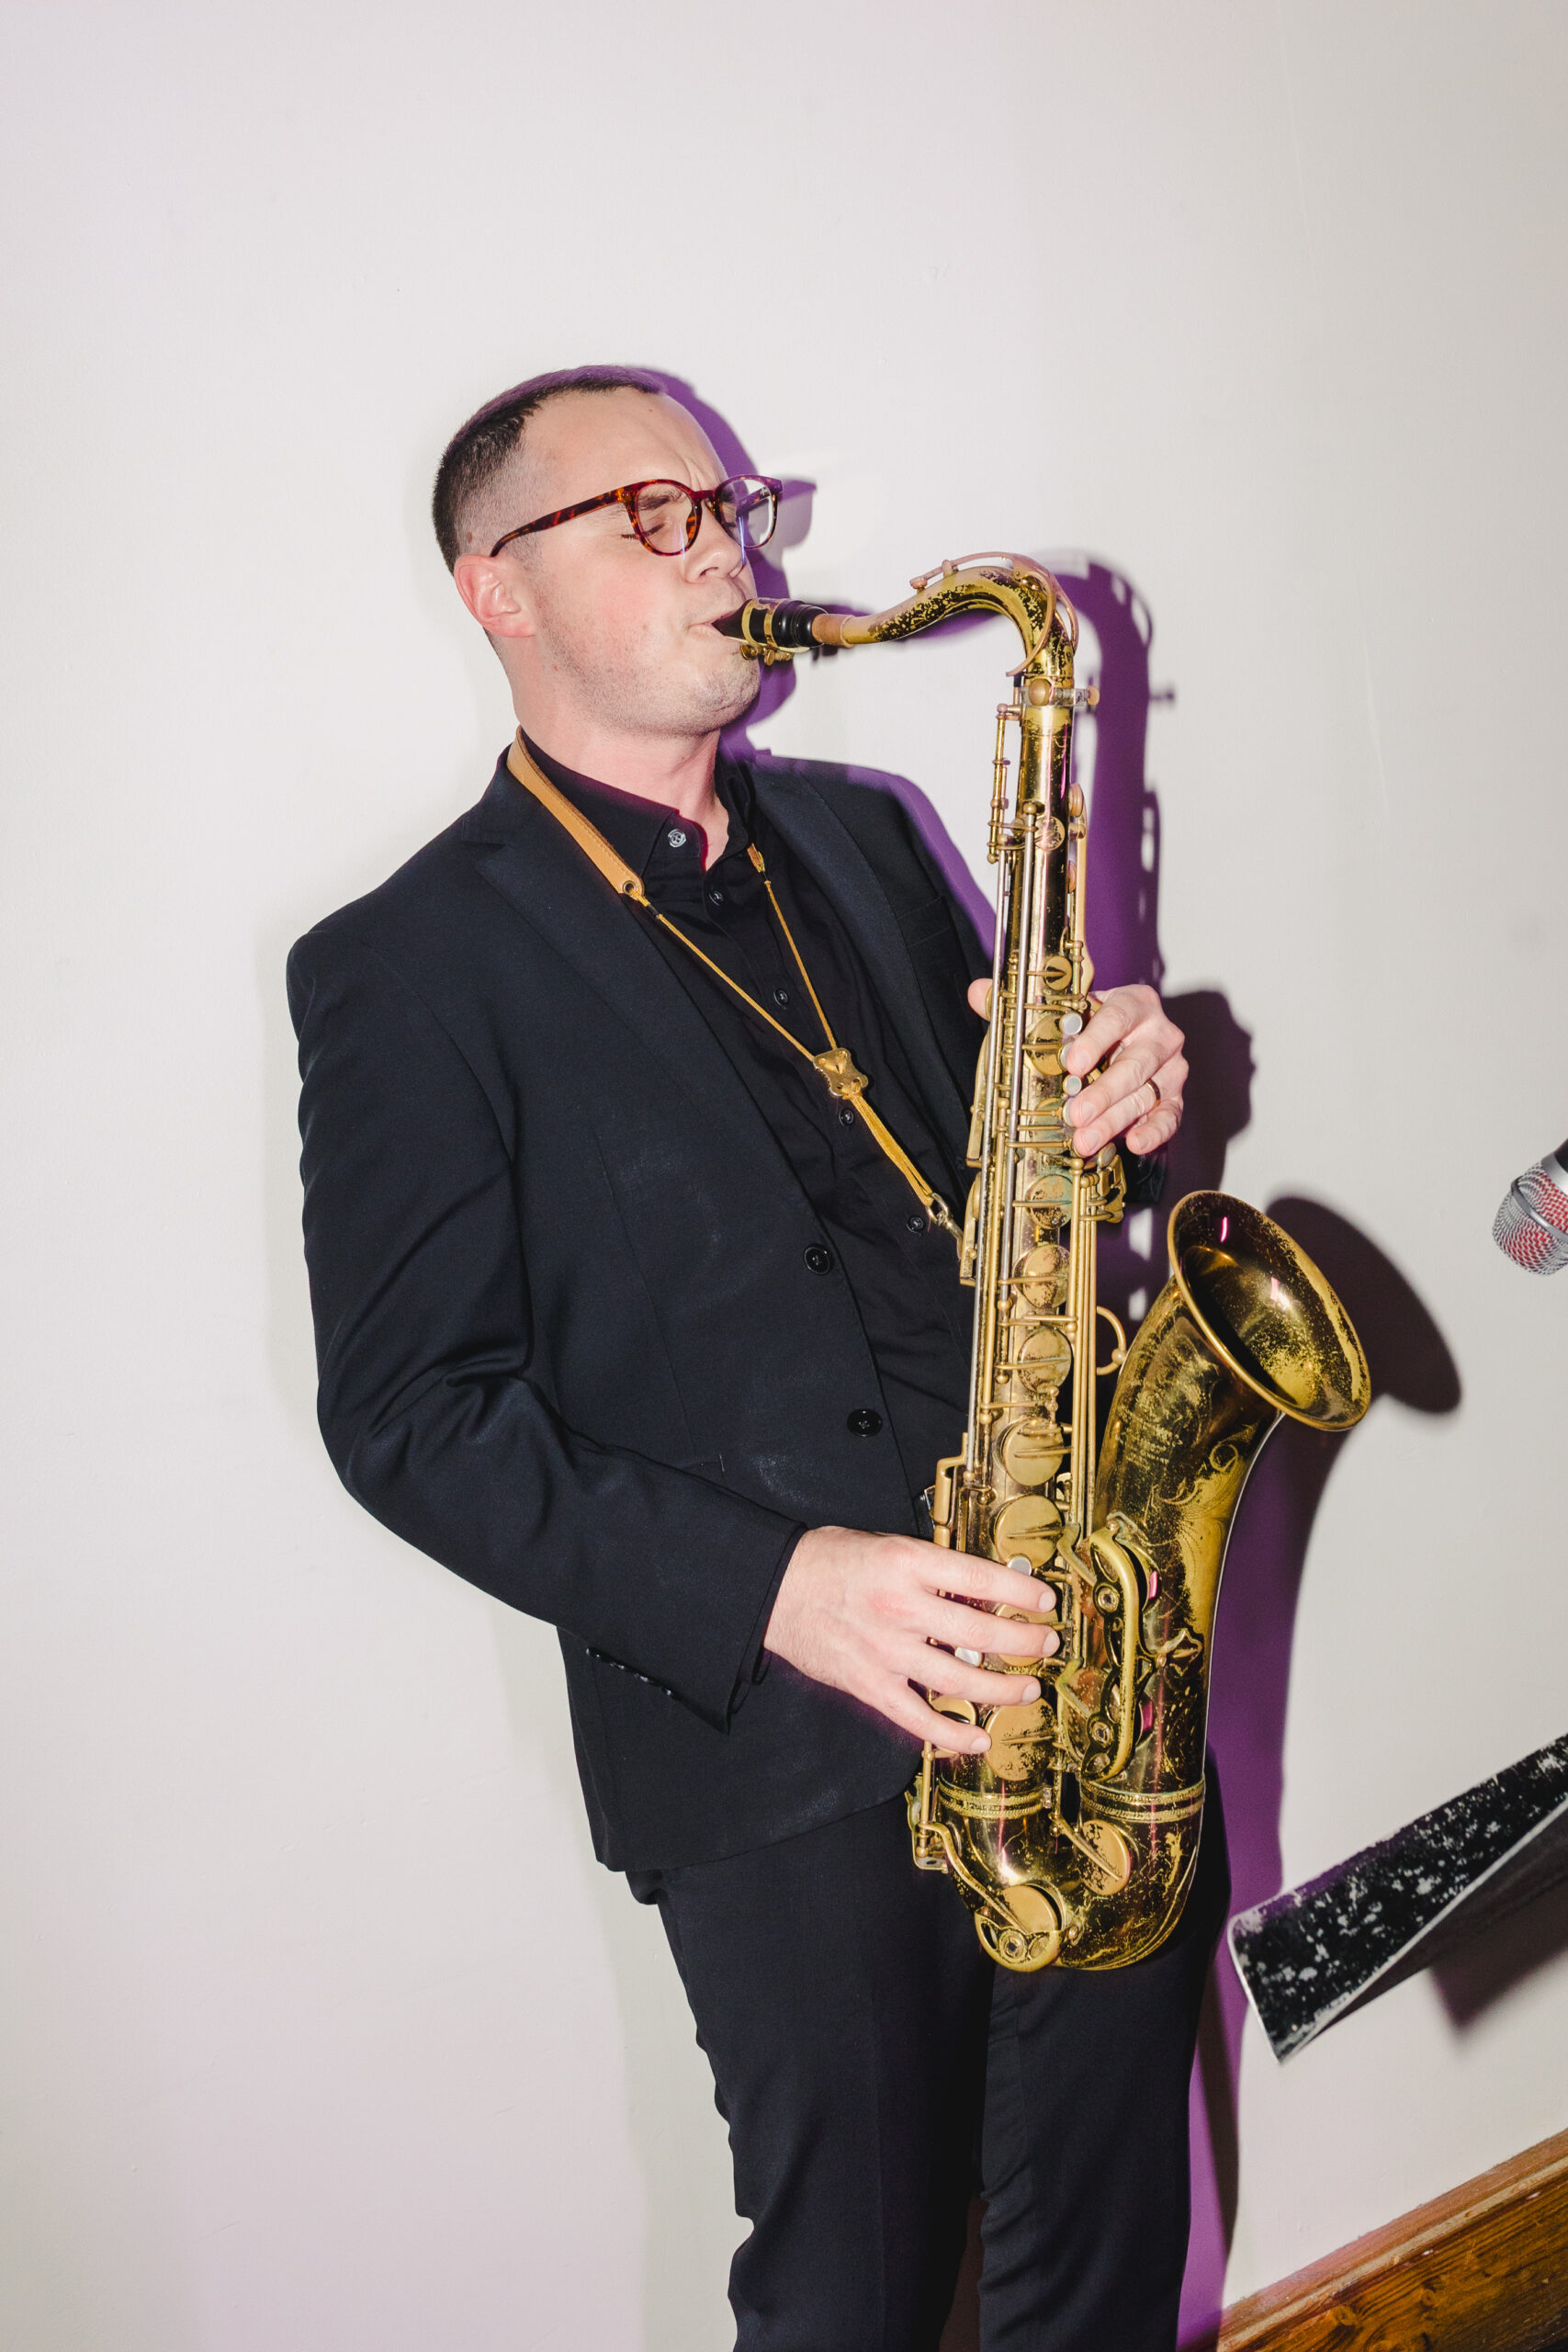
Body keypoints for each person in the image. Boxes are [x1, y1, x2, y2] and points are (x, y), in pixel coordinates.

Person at [288, 365, 1227, 2352]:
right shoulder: (407, 962)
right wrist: (783, 1584)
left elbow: (998, 1193)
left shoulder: (865, 839)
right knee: (852, 2298)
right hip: (782, 1761)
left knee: (1106, 2261)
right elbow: (406, 1418)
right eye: (650, 513)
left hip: (1069, 1652)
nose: (719, 543)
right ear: (497, 591)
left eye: (723, 503)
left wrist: (1108, 1100)